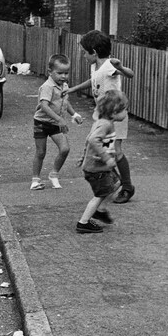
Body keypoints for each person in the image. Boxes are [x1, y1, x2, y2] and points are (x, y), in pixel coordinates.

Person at [65, 29, 136, 203]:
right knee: (100, 147)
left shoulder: (110, 65)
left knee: (115, 151)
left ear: (94, 52)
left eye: (84, 53)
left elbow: (130, 74)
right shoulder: (94, 66)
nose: (83, 56)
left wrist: (119, 67)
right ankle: (114, 181)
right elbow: (94, 81)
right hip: (102, 115)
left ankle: (126, 187)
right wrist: (73, 89)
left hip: (115, 113)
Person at [75, 90, 128, 234]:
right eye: (124, 110)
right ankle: (83, 222)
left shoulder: (103, 122)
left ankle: (101, 210)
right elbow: (93, 140)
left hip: (100, 167)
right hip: (97, 169)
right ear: (114, 112)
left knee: (116, 183)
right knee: (100, 195)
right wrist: (107, 158)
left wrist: (83, 156)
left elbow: (88, 138)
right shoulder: (105, 125)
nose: (126, 113)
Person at [30, 54, 83, 190]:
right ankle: (35, 180)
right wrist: (60, 119)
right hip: (42, 122)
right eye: (60, 73)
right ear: (50, 72)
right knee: (41, 152)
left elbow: (65, 102)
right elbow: (44, 106)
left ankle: (54, 174)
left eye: (66, 73)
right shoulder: (47, 86)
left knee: (65, 148)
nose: (64, 76)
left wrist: (74, 114)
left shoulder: (64, 85)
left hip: (55, 124)